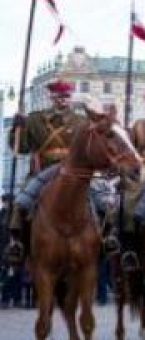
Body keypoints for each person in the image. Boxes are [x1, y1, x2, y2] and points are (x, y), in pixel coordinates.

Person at [4, 80, 88, 264]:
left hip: (73, 174)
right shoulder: (35, 120)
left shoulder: (81, 122)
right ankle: (17, 242)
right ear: (52, 97)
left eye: (67, 96)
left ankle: (106, 240)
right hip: (42, 172)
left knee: (103, 201)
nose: (63, 100)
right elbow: (21, 148)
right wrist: (16, 129)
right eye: (59, 96)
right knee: (21, 203)